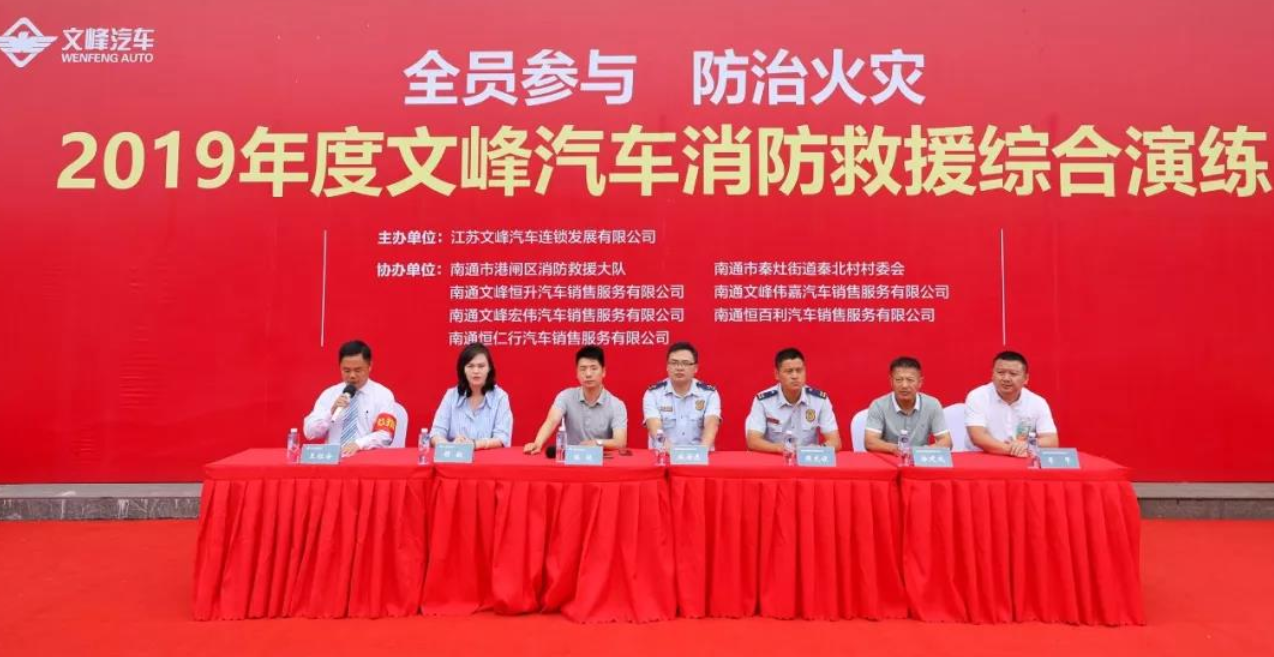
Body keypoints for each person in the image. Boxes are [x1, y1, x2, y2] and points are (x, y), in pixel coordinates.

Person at [523, 345, 628, 454]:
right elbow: (552, 420)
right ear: (576, 373)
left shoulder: (617, 405)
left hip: (602, 460)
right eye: (583, 369)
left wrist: (597, 443)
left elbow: (620, 442)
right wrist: (538, 443)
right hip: (571, 459)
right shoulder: (566, 396)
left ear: (604, 371)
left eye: (593, 368)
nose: (588, 374)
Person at [303, 340, 398, 457]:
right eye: (346, 370)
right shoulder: (329, 394)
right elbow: (310, 432)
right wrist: (330, 412)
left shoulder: (383, 395)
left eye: (358, 370)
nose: (352, 375)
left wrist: (359, 444)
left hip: (366, 458)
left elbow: (386, 435)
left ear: (369, 366)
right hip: (333, 459)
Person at [745, 347, 841, 452]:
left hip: (807, 458)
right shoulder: (763, 401)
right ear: (777, 374)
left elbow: (835, 442)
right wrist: (780, 448)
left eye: (799, 370)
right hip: (774, 456)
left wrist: (817, 450)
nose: (795, 376)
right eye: (789, 371)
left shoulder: (819, 400)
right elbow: (753, 441)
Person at [965, 350, 1059, 457]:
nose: (1006, 378)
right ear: (992, 375)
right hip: (982, 458)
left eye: (1013, 374)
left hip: (1021, 459)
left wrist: (1028, 444)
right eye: (1000, 372)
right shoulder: (977, 396)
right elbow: (978, 437)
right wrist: (1013, 450)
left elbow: (1052, 441)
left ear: (1026, 378)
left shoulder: (1037, 402)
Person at [428, 343, 512, 449]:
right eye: (470, 366)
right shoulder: (451, 396)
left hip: (489, 458)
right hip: (456, 456)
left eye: (481, 366)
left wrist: (475, 444)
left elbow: (502, 438)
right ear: (463, 369)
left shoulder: (500, 397)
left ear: (489, 368)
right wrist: (449, 446)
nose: (476, 371)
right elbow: (436, 433)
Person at [642, 341, 721, 449]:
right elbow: (655, 428)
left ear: (695, 368)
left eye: (685, 363)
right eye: (674, 363)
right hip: (664, 455)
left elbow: (711, 425)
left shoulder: (709, 394)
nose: (679, 367)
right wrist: (673, 452)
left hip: (699, 454)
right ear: (667, 366)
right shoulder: (653, 394)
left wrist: (701, 451)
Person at [864, 356, 951, 454]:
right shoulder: (879, 405)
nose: (904, 385)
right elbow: (870, 442)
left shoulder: (932, 404)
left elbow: (946, 441)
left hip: (920, 459)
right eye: (899, 380)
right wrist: (895, 449)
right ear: (891, 381)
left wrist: (917, 452)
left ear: (920, 382)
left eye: (910, 380)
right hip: (890, 458)